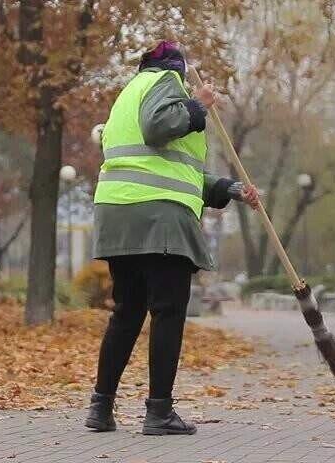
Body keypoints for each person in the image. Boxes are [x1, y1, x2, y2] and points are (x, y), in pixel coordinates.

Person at [85, 41, 260, 436]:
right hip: (159, 218)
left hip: (119, 213)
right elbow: (159, 129)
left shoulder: (127, 96)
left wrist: (231, 189)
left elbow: (174, 171)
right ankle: (159, 412)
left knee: (127, 311)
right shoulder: (166, 82)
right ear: (176, 69)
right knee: (167, 312)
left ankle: (101, 407)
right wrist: (197, 105)